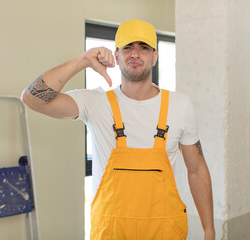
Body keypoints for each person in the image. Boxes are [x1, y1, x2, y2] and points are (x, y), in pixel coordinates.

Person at [21, 19, 215, 240]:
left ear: (154, 57)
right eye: (127, 47)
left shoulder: (180, 106)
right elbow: (32, 98)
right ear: (116, 55)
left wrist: (209, 229)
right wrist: (83, 60)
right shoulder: (95, 102)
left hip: (164, 232)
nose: (135, 54)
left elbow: (197, 170)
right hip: (110, 233)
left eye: (143, 47)